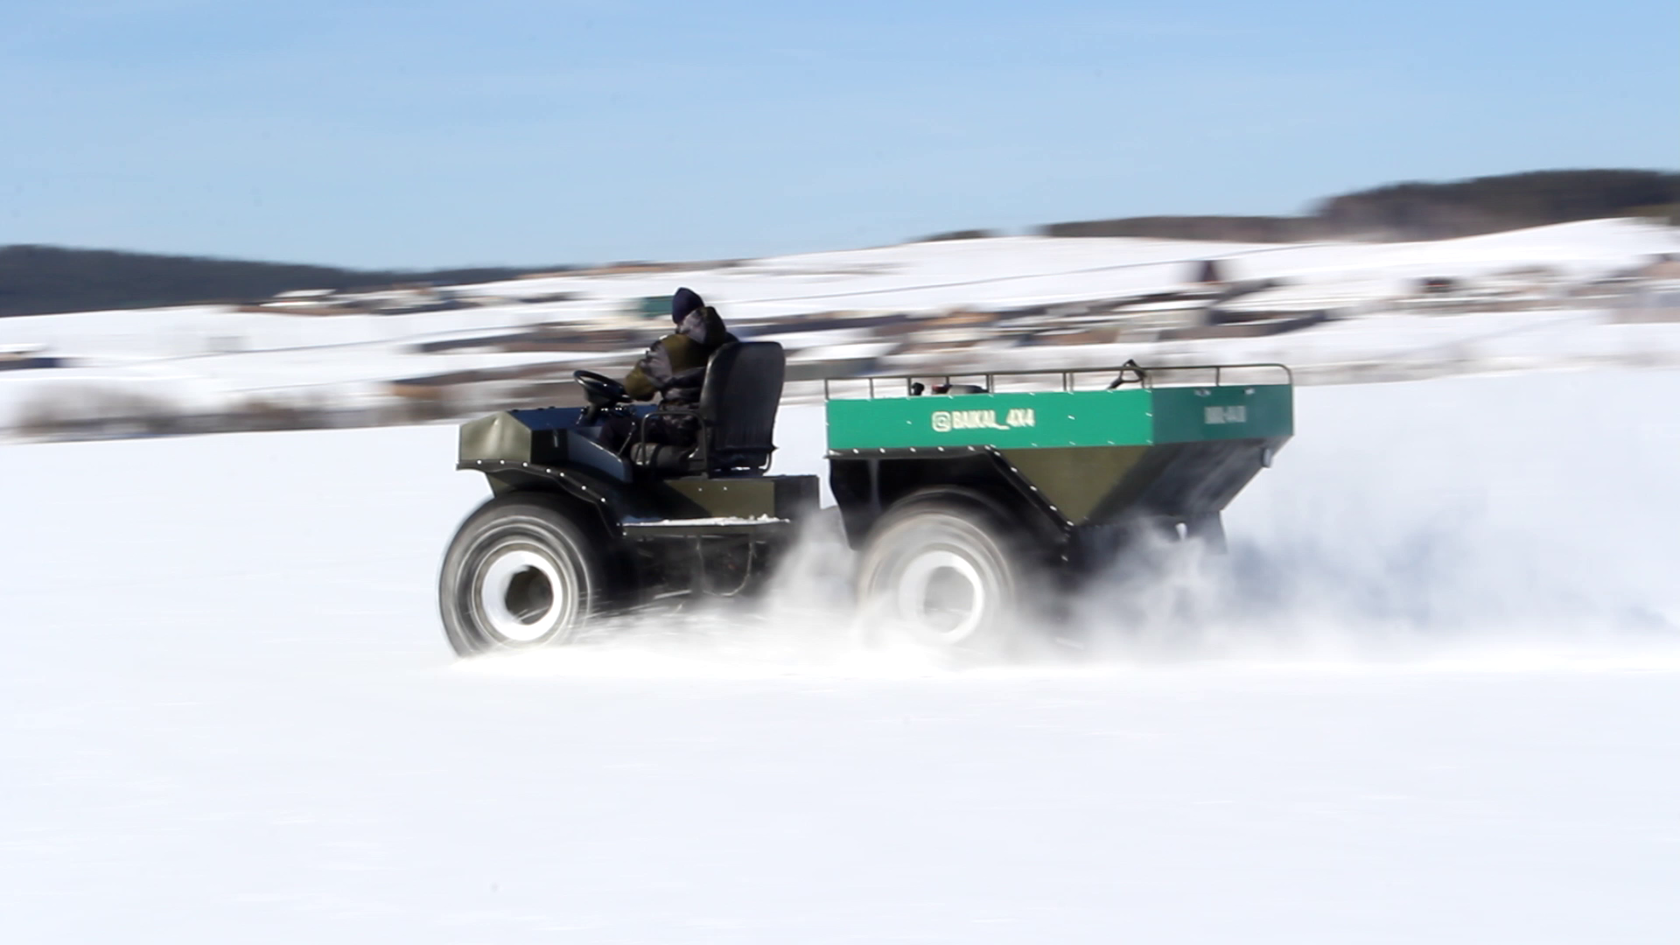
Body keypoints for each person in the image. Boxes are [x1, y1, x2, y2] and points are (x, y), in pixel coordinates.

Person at [605, 287, 737, 456]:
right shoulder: (732, 344)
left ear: (677, 318)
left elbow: (635, 389)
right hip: (728, 431)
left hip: (682, 430)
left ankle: (609, 481)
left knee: (614, 428)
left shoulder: (671, 348)